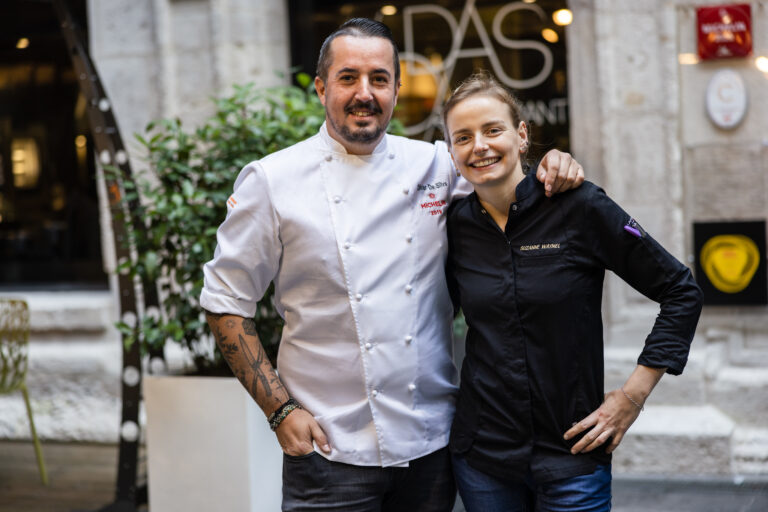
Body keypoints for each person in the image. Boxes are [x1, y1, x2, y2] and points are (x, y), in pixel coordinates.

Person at [200, 19, 583, 511]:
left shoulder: (437, 164)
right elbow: (225, 303)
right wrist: (279, 410)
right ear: (321, 88)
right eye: (348, 78)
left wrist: (553, 163)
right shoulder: (272, 181)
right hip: (327, 450)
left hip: (431, 446)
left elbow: (508, 188)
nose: (365, 93)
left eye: (379, 79)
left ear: (397, 91)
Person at [442, 71, 703, 512]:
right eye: (462, 137)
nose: (479, 146)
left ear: (521, 135)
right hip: (483, 459)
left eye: (492, 130)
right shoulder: (454, 227)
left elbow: (681, 289)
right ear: (450, 150)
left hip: (573, 457)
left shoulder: (579, 207)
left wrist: (632, 396)